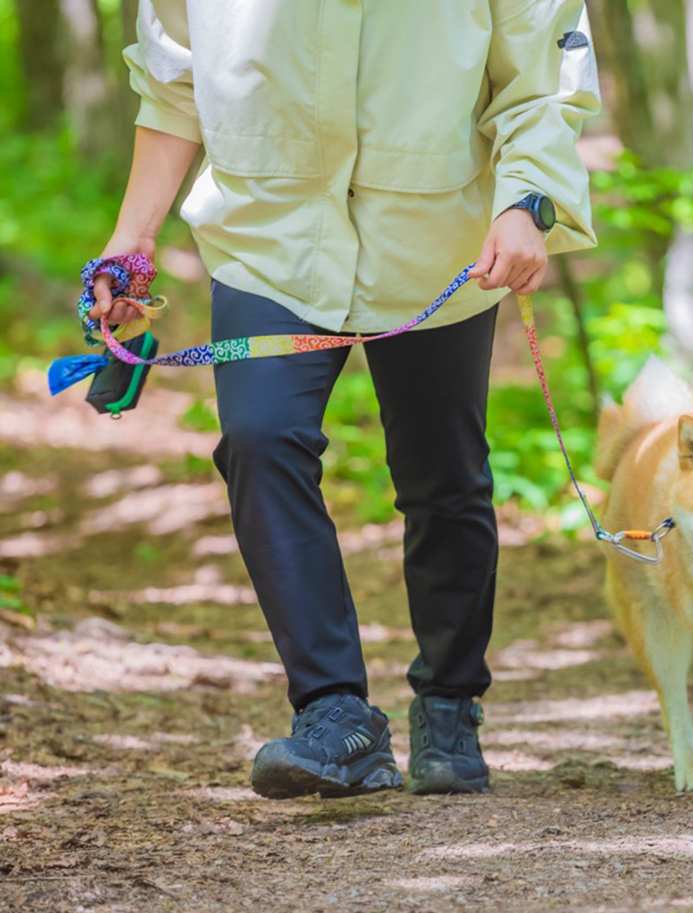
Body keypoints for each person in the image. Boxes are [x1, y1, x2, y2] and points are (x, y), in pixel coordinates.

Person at [90, 1, 599, 798]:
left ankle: (450, 701)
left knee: (443, 477)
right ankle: (335, 714)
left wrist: (525, 199)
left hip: (438, 239)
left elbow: (540, 83)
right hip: (268, 237)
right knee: (259, 442)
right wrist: (134, 236)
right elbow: (173, 84)